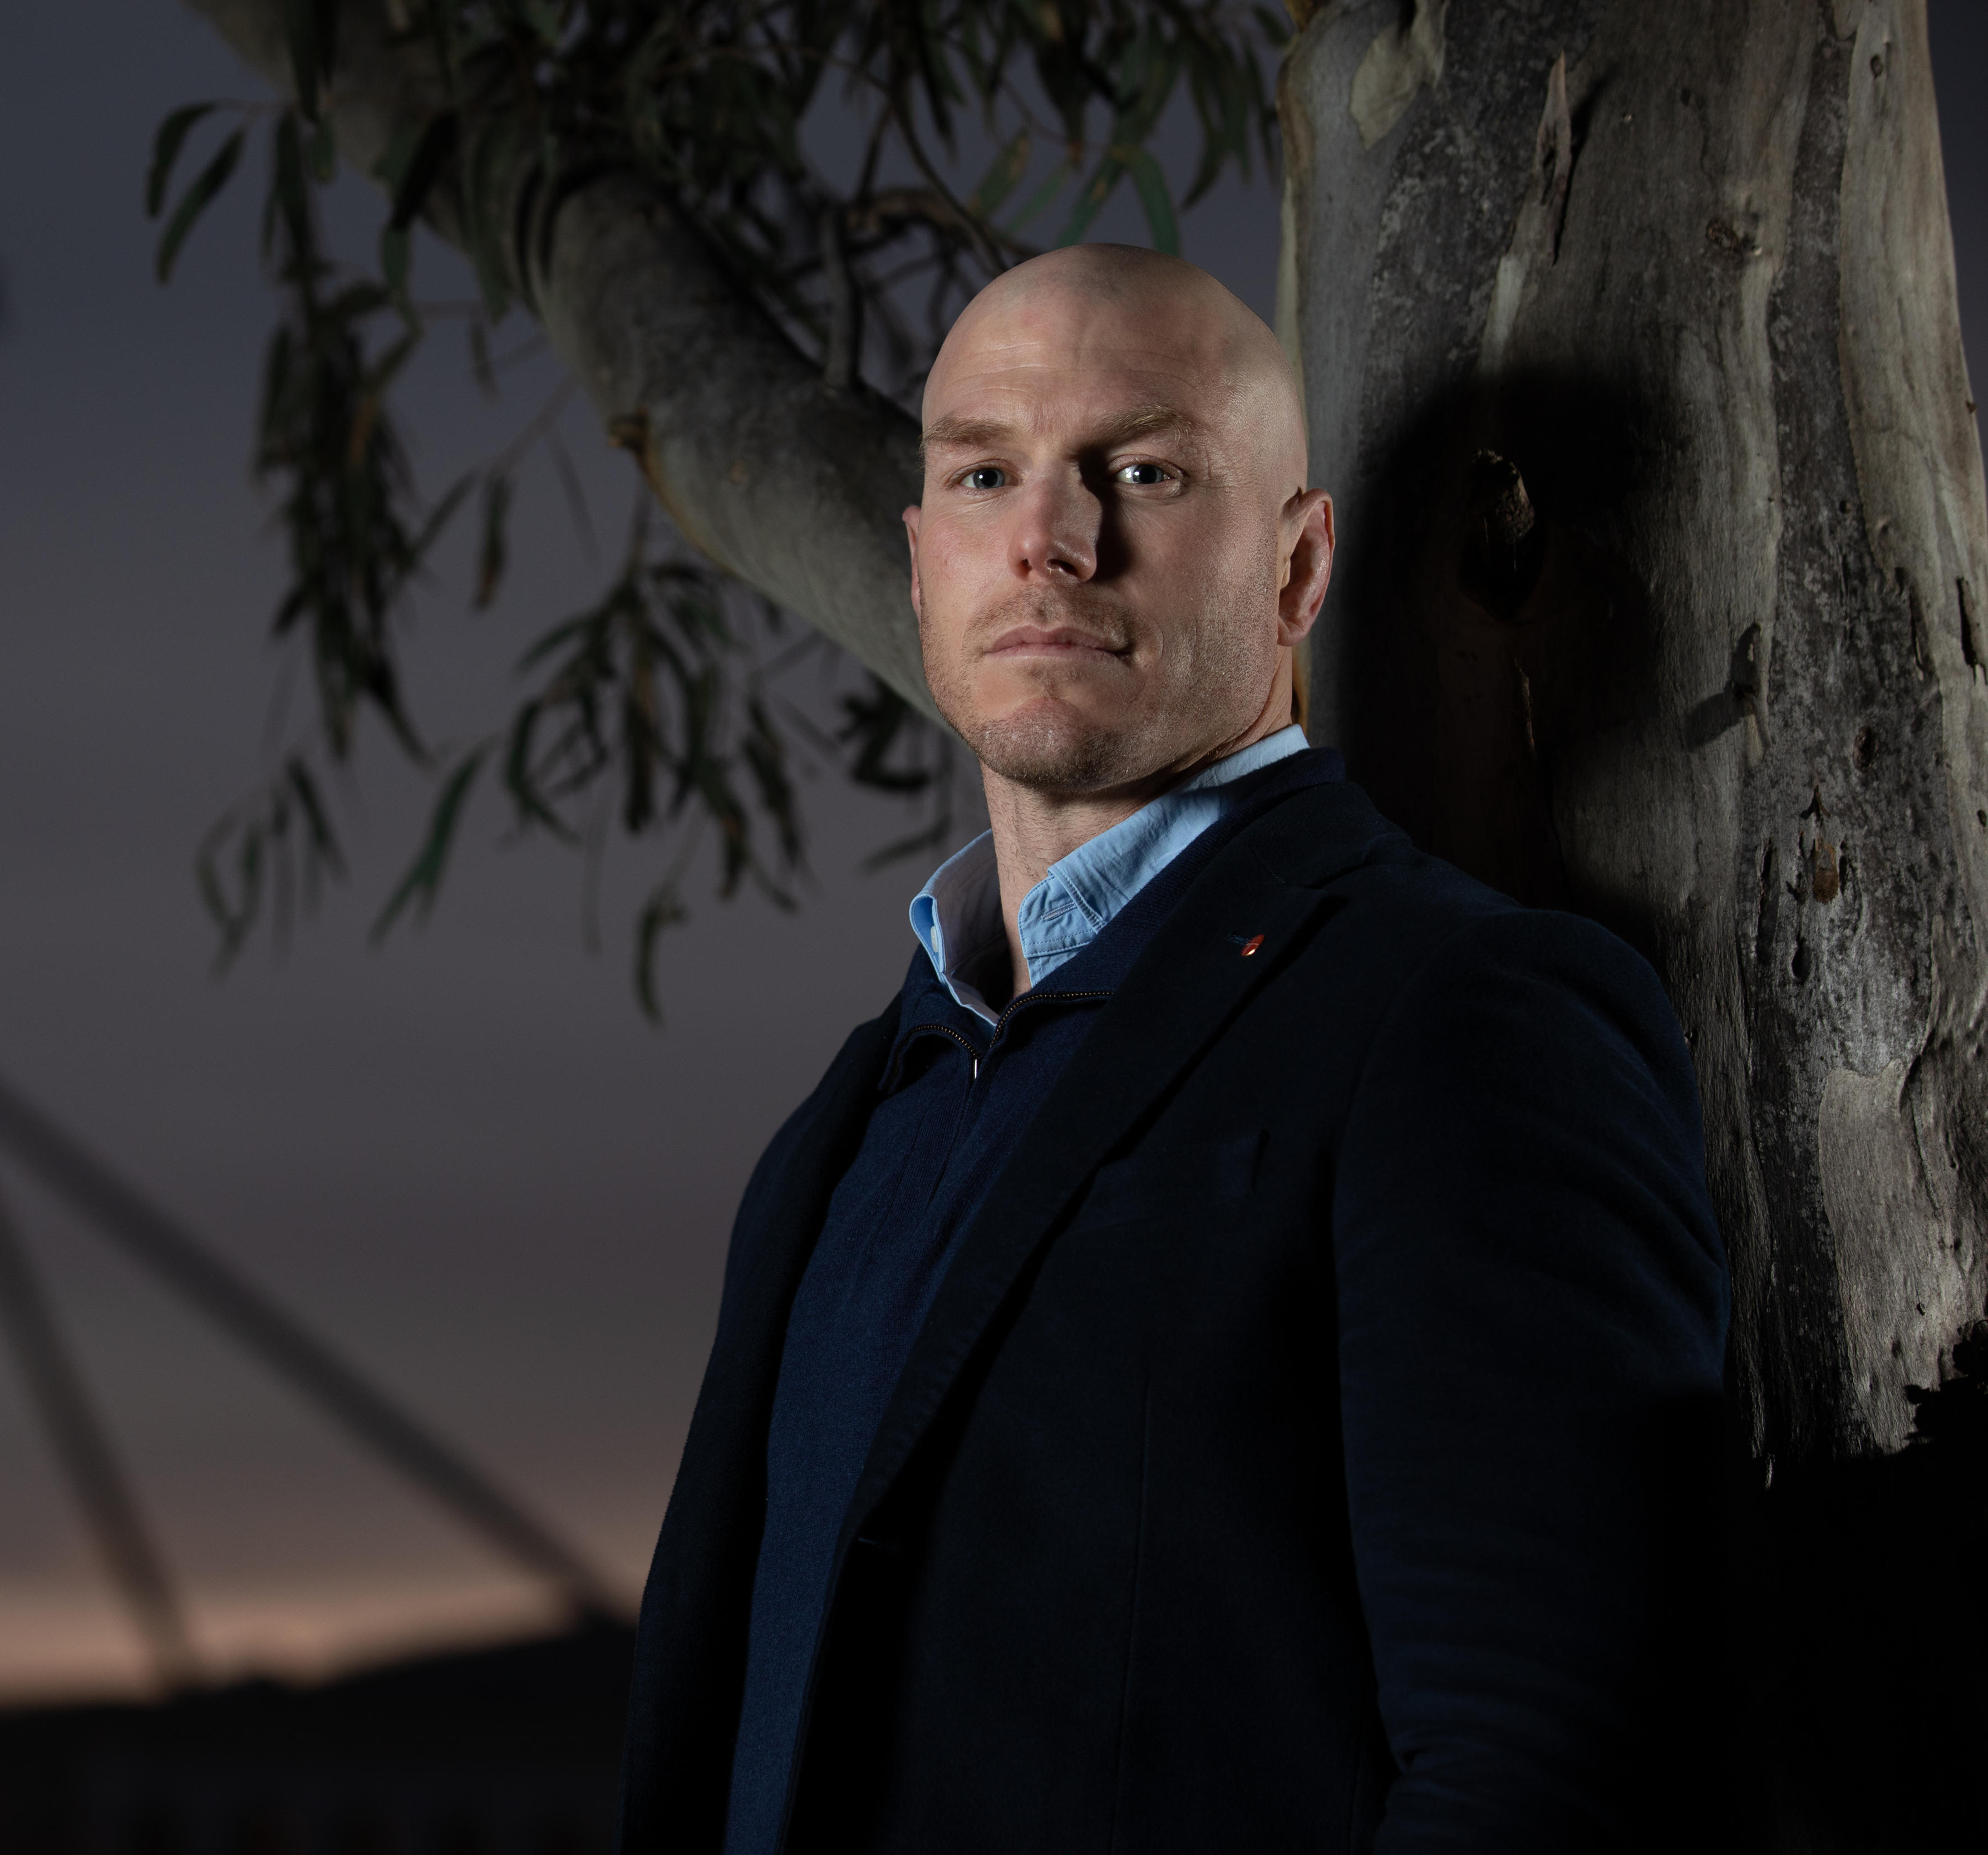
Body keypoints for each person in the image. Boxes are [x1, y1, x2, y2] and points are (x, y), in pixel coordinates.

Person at [616, 246, 1730, 1853]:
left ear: (1296, 568)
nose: (1054, 539)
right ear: (924, 562)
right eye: (985, 471)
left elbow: (1549, 1775)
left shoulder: (1464, 1020)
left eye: (1143, 469)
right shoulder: (849, 1119)